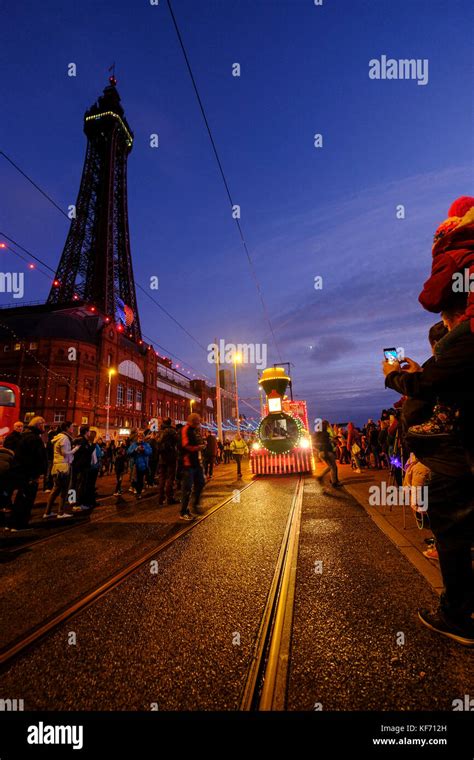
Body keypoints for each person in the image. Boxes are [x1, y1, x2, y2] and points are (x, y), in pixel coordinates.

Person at [383, 195, 474, 645]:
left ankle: (457, 614)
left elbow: (427, 383)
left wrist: (396, 379)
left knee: (452, 523)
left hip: (461, 455)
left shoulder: (464, 337)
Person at [7, 416, 48, 531]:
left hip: (24, 472)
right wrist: (34, 474)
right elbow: (34, 458)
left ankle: (13, 523)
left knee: (21, 498)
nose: (44, 427)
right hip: (29, 474)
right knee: (25, 499)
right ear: (39, 425)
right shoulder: (33, 438)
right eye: (43, 425)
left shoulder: (26, 436)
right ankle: (19, 524)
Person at [43, 421, 77, 519]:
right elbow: (65, 453)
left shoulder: (59, 437)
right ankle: (61, 512)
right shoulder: (64, 438)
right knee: (64, 491)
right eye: (71, 426)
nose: (73, 428)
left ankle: (47, 512)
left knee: (55, 490)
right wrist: (76, 449)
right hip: (63, 467)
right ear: (66, 428)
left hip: (57, 466)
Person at [180, 412, 205, 520]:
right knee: (187, 488)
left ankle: (195, 505)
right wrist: (198, 448)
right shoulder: (186, 429)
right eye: (198, 421)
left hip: (195, 462)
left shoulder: (195, 430)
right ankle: (183, 511)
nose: (199, 423)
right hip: (187, 463)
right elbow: (185, 445)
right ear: (193, 421)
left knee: (200, 483)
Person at [156, 419, 178, 505]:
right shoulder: (172, 431)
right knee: (170, 478)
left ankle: (160, 498)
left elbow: (157, 442)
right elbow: (178, 441)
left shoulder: (160, 432)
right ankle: (170, 498)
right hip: (171, 457)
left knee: (162, 478)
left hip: (162, 457)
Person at [72, 425, 93, 512]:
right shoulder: (83, 441)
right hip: (82, 467)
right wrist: (93, 446)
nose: (90, 433)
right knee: (80, 485)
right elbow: (85, 453)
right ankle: (78, 504)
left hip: (77, 466)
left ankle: (72, 501)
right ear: (86, 432)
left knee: (74, 484)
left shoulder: (78, 440)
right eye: (89, 431)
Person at [314, 420, 341, 487]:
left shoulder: (318, 433)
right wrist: (325, 451)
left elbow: (317, 443)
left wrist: (320, 450)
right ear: (326, 425)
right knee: (333, 467)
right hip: (327, 452)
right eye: (328, 425)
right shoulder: (325, 433)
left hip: (321, 453)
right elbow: (325, 443)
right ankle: (334, 482)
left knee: (330, 466)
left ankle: (323, 477)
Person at [127, 432, 152, 499]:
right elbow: (129, 452)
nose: (140, 438)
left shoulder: (146, 444)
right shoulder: (133, 445)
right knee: (138, 480)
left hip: (144, 465)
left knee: (144, 479)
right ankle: (138, 492)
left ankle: (141, 489)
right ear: (137, 438)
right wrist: (135, 450)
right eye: (139, 437)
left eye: (141, 437)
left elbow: (149, 452)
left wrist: (143, 450)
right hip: (136, 465)